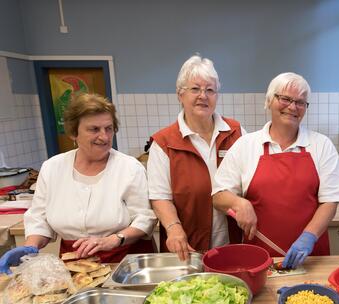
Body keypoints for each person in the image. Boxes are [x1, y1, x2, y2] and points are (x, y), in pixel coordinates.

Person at [0, 93, 157, 273]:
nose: (104, 137)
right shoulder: (53, 168)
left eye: (109, 128)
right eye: (94, 129)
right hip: (73, 264)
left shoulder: (130, 168)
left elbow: (145, 218)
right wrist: (29, 248)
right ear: (73, 132)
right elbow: (39, 218)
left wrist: (114, 239)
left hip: (125, 263)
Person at [211, 72, 339, 269]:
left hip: (310, 259)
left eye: (300, 102)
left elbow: (330, 201)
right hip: (258, 260)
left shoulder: (321, 145)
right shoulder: (246, 145)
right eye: (285, 99)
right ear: (269, 101)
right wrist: (238, 202)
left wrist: (308, 237)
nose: (293, 107)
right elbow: (217, 196)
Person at [147, 55, 244, 261]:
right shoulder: (164, 142)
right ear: (180, 95)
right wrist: (173, 228)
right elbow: (159, 196)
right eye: (195, 89)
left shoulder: (237, 133)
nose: (203, 96)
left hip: (234, 243)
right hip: (187, 248)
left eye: (210, 90)